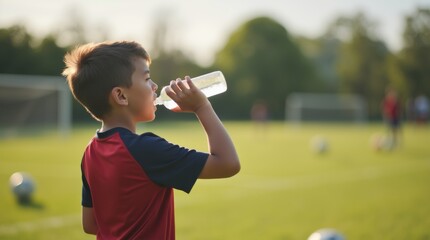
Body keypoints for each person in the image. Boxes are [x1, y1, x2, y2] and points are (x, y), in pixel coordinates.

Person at [62, 41, 240, 239]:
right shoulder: (146, 149)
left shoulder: (90, 152)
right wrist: (202, 107)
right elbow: (228, 163)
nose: (155, 86)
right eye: (147, 79)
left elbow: (91, 224)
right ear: (121, 96)